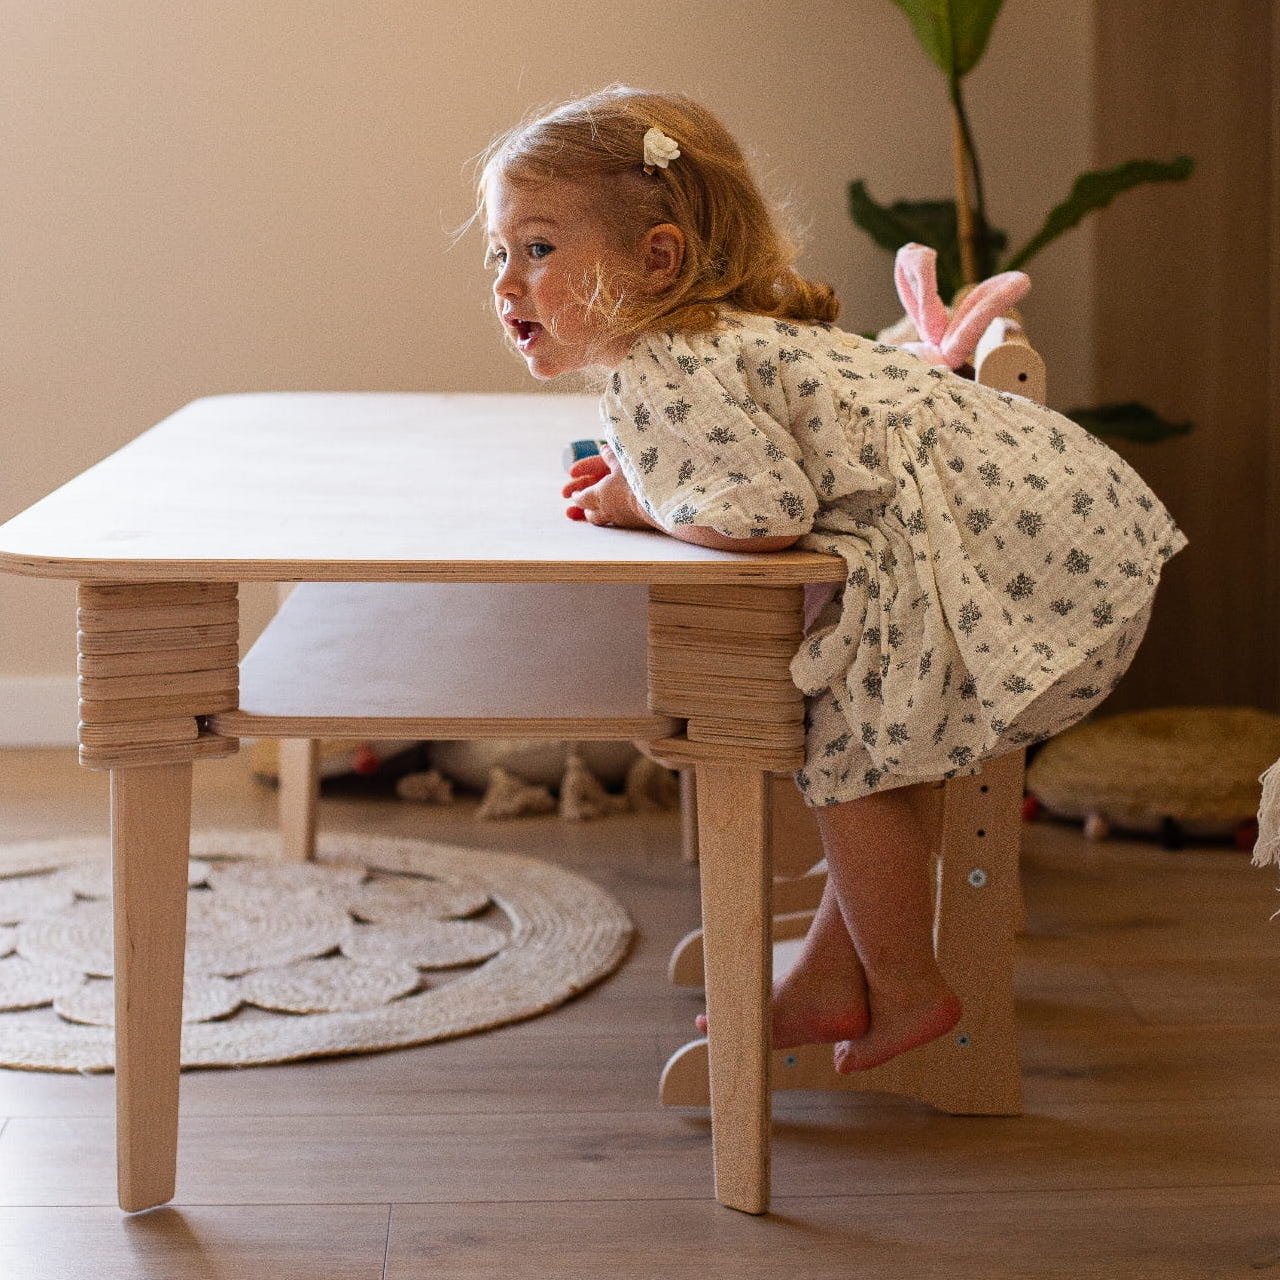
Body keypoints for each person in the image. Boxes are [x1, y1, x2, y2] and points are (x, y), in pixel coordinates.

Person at [478, 85, 1186, 1072]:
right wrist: (651, 480)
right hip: (1060, 535)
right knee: (881, 733)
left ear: (657, 259)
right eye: (499, 252)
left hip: (1011, 569)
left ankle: (907, 986)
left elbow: (762, 515)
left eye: (539, 248)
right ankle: (828, 976)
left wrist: (644, 504)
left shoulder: (662, 367)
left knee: (846, 755)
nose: (507, 281)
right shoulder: (708, 341)